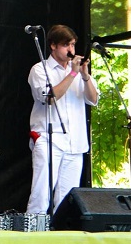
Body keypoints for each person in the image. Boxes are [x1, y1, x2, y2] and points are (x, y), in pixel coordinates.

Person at [26, 25, 98, 215]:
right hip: (50, 140)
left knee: (68, 201)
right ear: (53, 46)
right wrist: (72, 74)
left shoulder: (79, 72)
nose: (71, 50)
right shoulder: (40, 69)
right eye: (66, 45)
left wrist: (84, 76)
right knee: (41, 195)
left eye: (73, 45)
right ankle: (33, 236)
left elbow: (93, 99)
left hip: (76, 143)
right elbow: (49, 97)